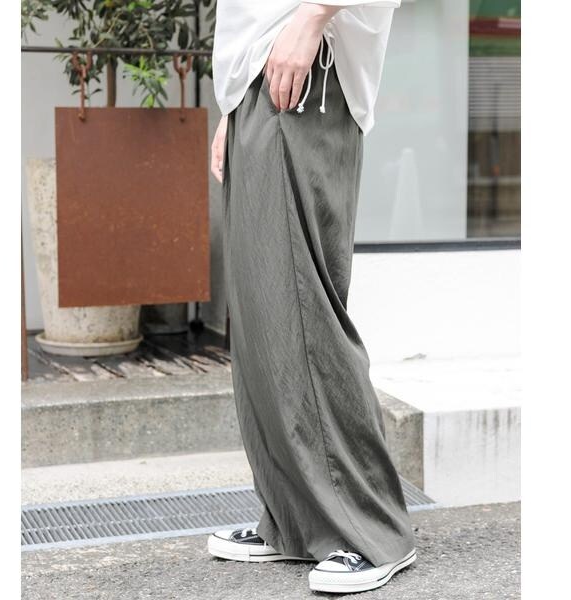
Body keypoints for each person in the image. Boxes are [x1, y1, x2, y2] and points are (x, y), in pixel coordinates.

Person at [206, 1, 416, 594]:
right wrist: (234, 104)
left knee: (302, 311)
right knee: (263, 316)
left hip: (306, 69)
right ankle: (294, 524)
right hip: (263, 78)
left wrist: (313, 16)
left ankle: (373, 531)